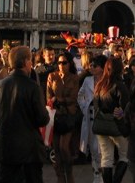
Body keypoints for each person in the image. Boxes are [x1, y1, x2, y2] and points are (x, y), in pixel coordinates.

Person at [0, 45, 50, 183]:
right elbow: (42, 118)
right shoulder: (33, 87)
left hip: (7, 145)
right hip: (29, 147)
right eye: (30, 61)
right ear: (25, 62)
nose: (31, 64)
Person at [93, 57, 131, 183]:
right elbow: (125, 107)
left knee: (106, 157)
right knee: (124, 155)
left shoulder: (100, 85)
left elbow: (96, 105)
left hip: (102, 125)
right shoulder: (120, 85)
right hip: (117, 124)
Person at [47, 51, 81, 183]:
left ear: (69, 64)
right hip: (55, 116)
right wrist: (57, 100)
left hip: (69, 116)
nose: (61, 65)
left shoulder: (74, 78)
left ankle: (69, 173)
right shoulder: (52, 76)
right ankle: (60, 177)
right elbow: (49, 97)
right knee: (56, 149)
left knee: (64, 147)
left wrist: (59, 99)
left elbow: (73, 97)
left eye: (64, 63)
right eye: (59, 62)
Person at [79, 54, 107, 183]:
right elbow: (80, 96)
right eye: (90, 65)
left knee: (101, 148)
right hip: (89, 118)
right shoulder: (87, 80)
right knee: (93, 148)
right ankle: (97, 174)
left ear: (102, 68)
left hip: (103, 119)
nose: (91, 67)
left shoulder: (108, 81)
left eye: (94, 65)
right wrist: (85, 107)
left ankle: (101, 175)